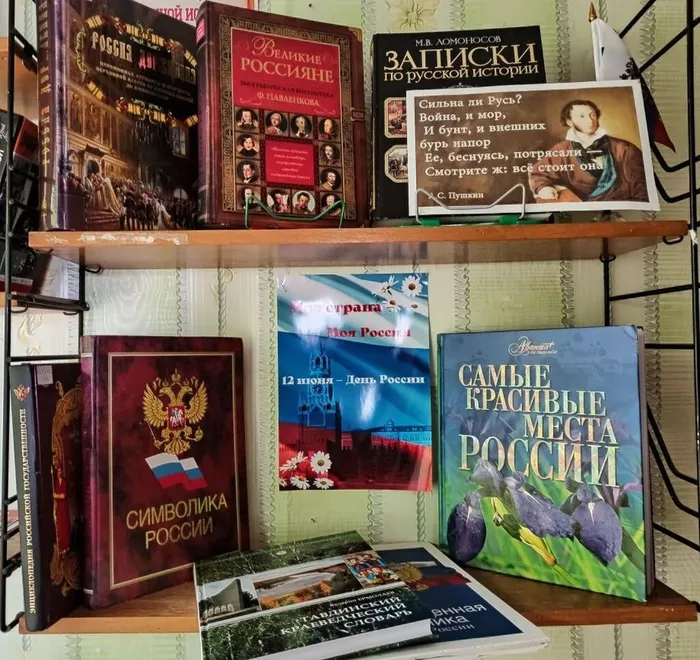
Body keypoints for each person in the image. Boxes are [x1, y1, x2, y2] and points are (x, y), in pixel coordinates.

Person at [528, 99, 649, 203]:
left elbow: (641, 185)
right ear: (569, 122)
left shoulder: (625, 148)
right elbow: (537, 173)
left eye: (592, 115)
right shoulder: (562, 149)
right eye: (582, 116)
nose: (590, 120)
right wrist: (543, 188)